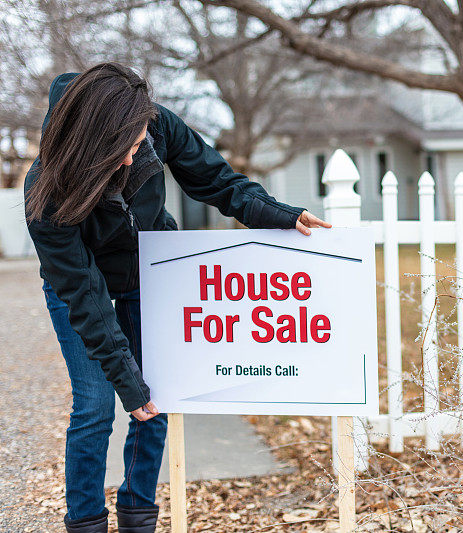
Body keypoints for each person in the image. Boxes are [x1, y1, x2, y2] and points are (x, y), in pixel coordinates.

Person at [24, 62, 331, 533]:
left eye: (137, 144)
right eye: (121, 149)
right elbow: (83, 294)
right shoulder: (46, 188)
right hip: (79, 290)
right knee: (95, 407)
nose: (131, 160)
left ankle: (137, 516)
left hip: (152, 271)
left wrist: (280, 215)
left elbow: (217, 181)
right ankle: (85, 521)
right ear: (93, 143)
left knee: (156, 402)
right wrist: (126, 379)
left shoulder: (154, 123)